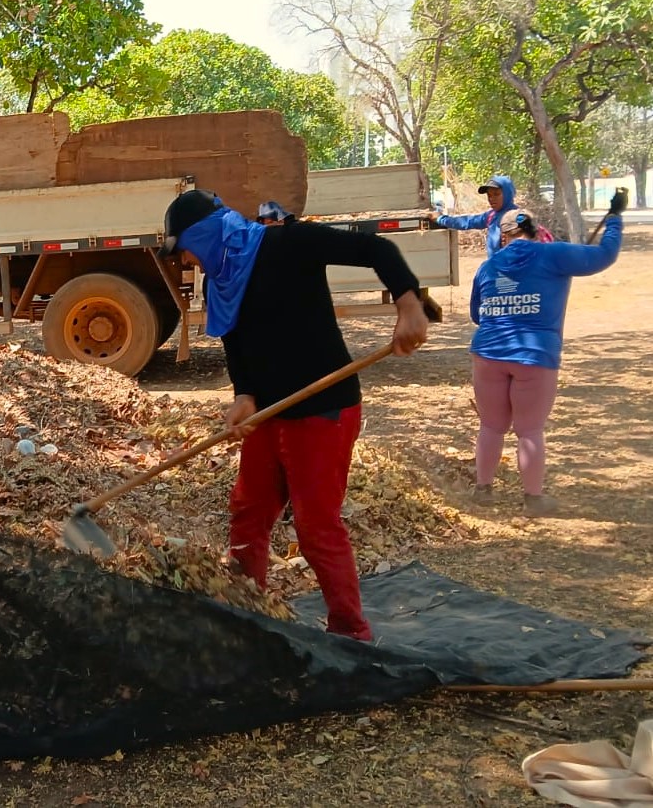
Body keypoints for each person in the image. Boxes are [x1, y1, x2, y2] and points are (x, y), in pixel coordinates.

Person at [159, 188, 430, 642]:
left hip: (324, 410)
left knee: (315, 525)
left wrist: (408, 304)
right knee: (249, 511)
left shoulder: (290, 243)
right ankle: (248, 614)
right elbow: (236, 344)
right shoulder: (222, 277)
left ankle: (350, 634)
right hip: (269, 413)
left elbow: (375, 248)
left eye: (185, 247)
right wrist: (244, 395)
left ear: (204, 235)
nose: (186, 259)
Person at [467, 192, 625, 515]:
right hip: (535, 356)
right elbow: (605, 255)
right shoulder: (554, 255)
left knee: (491, 426)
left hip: (488, 354)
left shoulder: (487, 268)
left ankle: (482, 489)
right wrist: (614, 220)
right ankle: (533, 499)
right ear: (535, 232)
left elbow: (476, 314)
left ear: (504, 237)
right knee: (529, 429)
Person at [433, 174, 553, 255]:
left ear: (507, 194)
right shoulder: (490, 216)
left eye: (496, 194)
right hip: (497, 272)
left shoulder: (519, 218)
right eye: (489, 195)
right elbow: (467, 222)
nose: (491, 199)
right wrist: (441, 219)